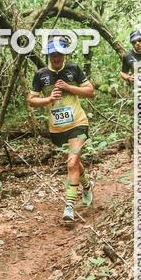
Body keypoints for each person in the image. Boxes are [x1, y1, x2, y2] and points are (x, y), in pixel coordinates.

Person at [27, 39, 95, 227]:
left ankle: (69, 207)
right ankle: (87, 185)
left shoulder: (73, 69)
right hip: (56, 128)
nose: (56, 57)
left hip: (78, 123)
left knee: (72, 162)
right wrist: (48, 98)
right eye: (53, 54)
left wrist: (69, 87)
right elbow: (31, 100)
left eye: (59, 54)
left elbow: (90, 91)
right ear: (48, 55)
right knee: (73, 163)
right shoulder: (41, 75)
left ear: (64, 54)